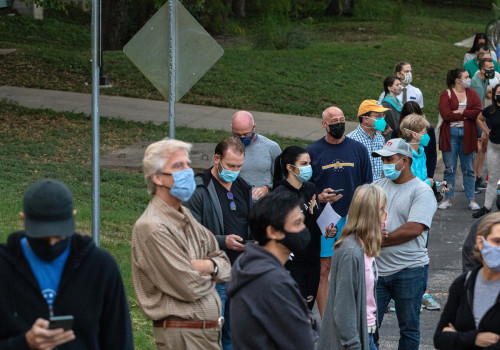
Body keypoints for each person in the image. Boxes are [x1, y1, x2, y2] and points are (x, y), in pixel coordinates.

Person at [0, 179, 134, 349]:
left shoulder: (100, 267)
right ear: (23, 218)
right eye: (41, 237)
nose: (51, 243)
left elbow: (120, 340)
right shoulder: (3, 267)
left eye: (59, 235)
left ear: (73, 216)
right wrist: (24, 343)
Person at [132, 139, 232, 350]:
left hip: (205, 333)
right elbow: (188, 286)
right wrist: (213, 272)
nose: (187, 172)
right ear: (157, 177)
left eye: (187, 164)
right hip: (184, 335)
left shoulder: (185, 215)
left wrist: (207, 266)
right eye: (178, 166)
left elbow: (224, 264)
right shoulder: (152, 227)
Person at [226, 191, 317, 350]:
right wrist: (307, 320)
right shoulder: (272, 281)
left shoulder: (250, 264)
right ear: (273, 232)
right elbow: (305, 340)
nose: (303, 228)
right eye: (297, 223)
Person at [185, 137, 252, 350]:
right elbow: (190, 236)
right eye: (231, 166)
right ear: (216, 159)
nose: (235, 171)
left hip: (239, 273)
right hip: (214, 276)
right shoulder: (199, 190)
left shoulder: (242, 187)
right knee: (211, 335)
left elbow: (247, 223)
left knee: (235, 335)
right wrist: (223, 241)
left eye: (239, 166)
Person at [306, 106, 373, 318]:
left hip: (353, 219)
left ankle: (350, 316)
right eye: (334, 121)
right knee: (323, 269)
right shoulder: (313, 151)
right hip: (325, 220)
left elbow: (367, 185)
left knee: (351, 269)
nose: (338, 124)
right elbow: (306, 189)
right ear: (324, 124)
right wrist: (319, 197)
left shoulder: (358, 149)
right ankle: (327, 320)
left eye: (342, 119)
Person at [372, 138, 437, 350]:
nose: (385, 165)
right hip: (377, 272)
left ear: (405, 160)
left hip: (409, 270)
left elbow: (414, 229)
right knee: (368, 326)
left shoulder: (421, 191)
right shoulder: (376, 187)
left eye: (390, 159)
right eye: (383, 160)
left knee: (409, 328)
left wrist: (377, 240)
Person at [317, 184, 387, 350]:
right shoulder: (350, 251)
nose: (386, 215)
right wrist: (353, 345)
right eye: (383, 209)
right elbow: (343, 307)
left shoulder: (365, 246)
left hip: (367, 334)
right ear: (372, 211)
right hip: (356, 340)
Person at [273, 146, 337, 310]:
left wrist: (326, 230)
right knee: (294, 313)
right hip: (293, 265)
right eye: (304, 163)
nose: (309, 167)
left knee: (307, 311)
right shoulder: (281, 194)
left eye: (309, 163)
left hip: (313, 260)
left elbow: (315, 220)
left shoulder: (310, 188)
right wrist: (308, 215)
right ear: (290, 167)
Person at [434, 212, 500, 350]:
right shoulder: (463, 284)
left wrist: (458, 337)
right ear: (481, 242)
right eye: (497, 241)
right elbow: (440, 338)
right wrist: (475, 339)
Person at [438, 68, 482, 211]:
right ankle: (448, 198)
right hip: (450, 134)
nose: (469, 79)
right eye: (466, 77)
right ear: (458, 80)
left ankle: (471, 199)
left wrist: (462, 112)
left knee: (469, 169)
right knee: (449, 168)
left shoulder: (472, 94)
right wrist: (466, 116)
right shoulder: (447, 94)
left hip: (468, 135)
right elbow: (446, 115)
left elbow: (477, 112)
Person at [231, 111, 282, 200]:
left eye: (246, 134)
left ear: (254, 127)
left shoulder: (271, 147)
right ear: (232, 128)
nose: (242, 137)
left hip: (263, 205)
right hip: (235, 203)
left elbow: (282, 179)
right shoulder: (225, 149)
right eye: (238, 135)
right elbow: (215, 178)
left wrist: (268, 188)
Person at [395, 102, 439, 200]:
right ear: (414, 135)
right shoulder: (405, 156)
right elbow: (407, 187)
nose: (427, 136)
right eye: (424, 133)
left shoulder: (421, 151)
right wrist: (427, 183)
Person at [473, 84, 500, 218]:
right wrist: (486, 130)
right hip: (494, 147)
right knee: (493, 178)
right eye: (498, 93)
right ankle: (487, 206)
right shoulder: (491, 110)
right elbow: (479, 118)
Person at [347, 99, 390, 181]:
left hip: (380, 189)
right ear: (365, 119)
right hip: (364, 191)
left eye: (383, 116)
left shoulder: (380, 138)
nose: (382, 119)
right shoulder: (351, 140)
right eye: (378, 116)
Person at [381, 76, 403, 141]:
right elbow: (378, 117)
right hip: (390, 138)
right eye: (397, 85)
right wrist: (386, 127)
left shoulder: (398, 102)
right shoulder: (386, 103)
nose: (400, 87)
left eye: (400, 84)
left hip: (398, 136)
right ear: (389, 88)